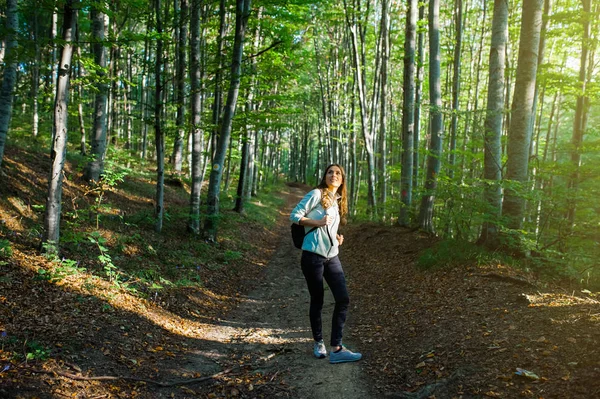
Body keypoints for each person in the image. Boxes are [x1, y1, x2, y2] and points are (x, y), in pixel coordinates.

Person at [289, 164, 362, 364]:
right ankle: (319, 343)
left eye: (338, 173)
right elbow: (294, 216)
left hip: (332, 256)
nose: (333, 175)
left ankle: (337, 348)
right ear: (325, 176)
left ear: (342, 179)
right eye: (330, 172)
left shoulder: (338, 200)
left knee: (343, 299)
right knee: (318, 299)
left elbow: (329, 227)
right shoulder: (316, 194)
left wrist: (337, 237)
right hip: (312, 256)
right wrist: (317, 223)